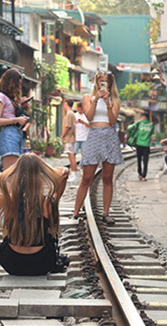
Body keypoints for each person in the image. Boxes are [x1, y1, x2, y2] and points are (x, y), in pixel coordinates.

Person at [0, 153, 71, 276]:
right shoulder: (47, 203)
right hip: (42, 265)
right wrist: (46, 171)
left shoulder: (9, 201)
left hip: (11, 264)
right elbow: (64, 172)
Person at [72, 71, 123, 224]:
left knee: (107, 178)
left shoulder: (115, 99)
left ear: (110, 83)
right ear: (96, 82)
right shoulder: (88, 98)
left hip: (109, 135)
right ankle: (75, 212)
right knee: (87, 177)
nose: (102, 84)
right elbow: (89, 116)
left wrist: (107, 103)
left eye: (105, 81)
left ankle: (106, 213)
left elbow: (113, 121)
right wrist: (96, 100)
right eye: (100, 81)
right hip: (94, 135)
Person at [0, 69, 29, 170]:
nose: (18, 87)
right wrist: (15, 120)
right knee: (10, 172)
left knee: (15, 171)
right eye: (18, 84)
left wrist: (19, 104)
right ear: (12, 82)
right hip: (8, 134)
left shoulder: (8, 98)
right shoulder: (1, 97)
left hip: (16, 133)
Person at [129, 112, 155, 181]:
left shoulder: (139, 123)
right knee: (145, 161)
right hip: (146, 145)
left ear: (143, 117)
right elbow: (151, 133)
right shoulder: (151, 125)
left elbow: (129, 128)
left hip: (139, 144)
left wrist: (138, 123)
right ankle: (144, 176)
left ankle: (140, 174)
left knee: (139, 160)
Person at [62, 99, 78, 184]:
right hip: (71, 137)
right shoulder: (72, 114)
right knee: (71, 155)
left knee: (71, 156)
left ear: (66, 104)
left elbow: (67, 126)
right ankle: (73, 173)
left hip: (69, 138)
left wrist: (62, 135)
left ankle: (74, 173)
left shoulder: (69, 114)